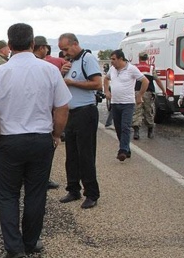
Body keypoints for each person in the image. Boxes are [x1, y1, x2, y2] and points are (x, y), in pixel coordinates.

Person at [0, 23, 70, 258]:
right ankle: (31, 242)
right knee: (36, 192)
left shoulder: (0, 73)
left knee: (8, 195)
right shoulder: (50, 71)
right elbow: (62, 106)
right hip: (41, 140)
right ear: (32, 44)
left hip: (9, 141)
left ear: (9, 46)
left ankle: (14, 248)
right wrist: (56, 135)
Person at [58, 33, 102, 209]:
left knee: (85, 155)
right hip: (71, 113)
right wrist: (62, 75)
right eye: (62, 50)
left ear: (75, 44)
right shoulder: (71, 63)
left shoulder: (87, 59)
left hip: (86, 112)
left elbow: (97, 84)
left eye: (67, 49)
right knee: (72, 155)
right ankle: (73, 188)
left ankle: (91, 193)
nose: (65, 53)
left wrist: (72, 83)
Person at [33, 36, 68, 190]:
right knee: (42, 158)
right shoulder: (45, 67)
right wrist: (57, 134)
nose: (47, 51)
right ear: (41, 48)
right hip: (41, 120)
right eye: (46, 48)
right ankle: (42, 180)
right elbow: (62, 105)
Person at [104, 49, 149, 161]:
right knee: (118, 128)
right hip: (115, 103)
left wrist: (139, 95)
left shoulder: (131, 69)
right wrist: (106, 91)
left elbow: (145, 81)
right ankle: (126, 149)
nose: (112, 62)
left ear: (120, 59)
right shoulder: (112, 69)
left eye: (114, 59)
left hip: (127, 103)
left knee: (125, 126)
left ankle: (122, 150)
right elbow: (106, 78)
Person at [132, 52, 167, 139]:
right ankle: (150, 131)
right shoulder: (151, 68)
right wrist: (163, 90)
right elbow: (157, 80)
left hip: (137, 91)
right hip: (148, 92)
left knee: (137, 111)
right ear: (147, 58)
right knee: (149, 111)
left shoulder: (135, 68)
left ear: (139, 58)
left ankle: (136, 132)